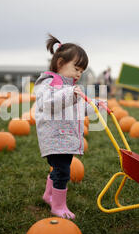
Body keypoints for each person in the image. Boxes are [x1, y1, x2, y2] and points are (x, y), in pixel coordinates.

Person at [33, 34, 107, 220]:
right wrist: (71, 95)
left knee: (59, 169)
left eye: (81, 71)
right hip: (54, 136)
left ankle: (49, 195)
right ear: (60, 63)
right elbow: (47, 103)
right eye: (76, 68)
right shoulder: (48, 83)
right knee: (63, 171)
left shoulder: (70, 88)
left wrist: (96, 106)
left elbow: (79, 109)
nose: (78, 74)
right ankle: (58, 206)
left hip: (65, 136)